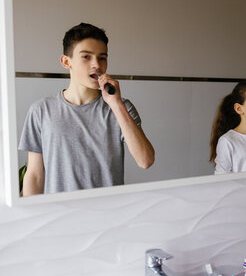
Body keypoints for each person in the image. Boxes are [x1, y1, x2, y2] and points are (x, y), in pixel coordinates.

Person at [19, 23, 155, 195]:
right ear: (66, 61)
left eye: (102, 57)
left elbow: (145, 160)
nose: (96, 65)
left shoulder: (121, 107)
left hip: (108, 216)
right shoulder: (41, 110)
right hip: (60, 217)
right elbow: (35, 175)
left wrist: (116, 104)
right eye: (86, 57)